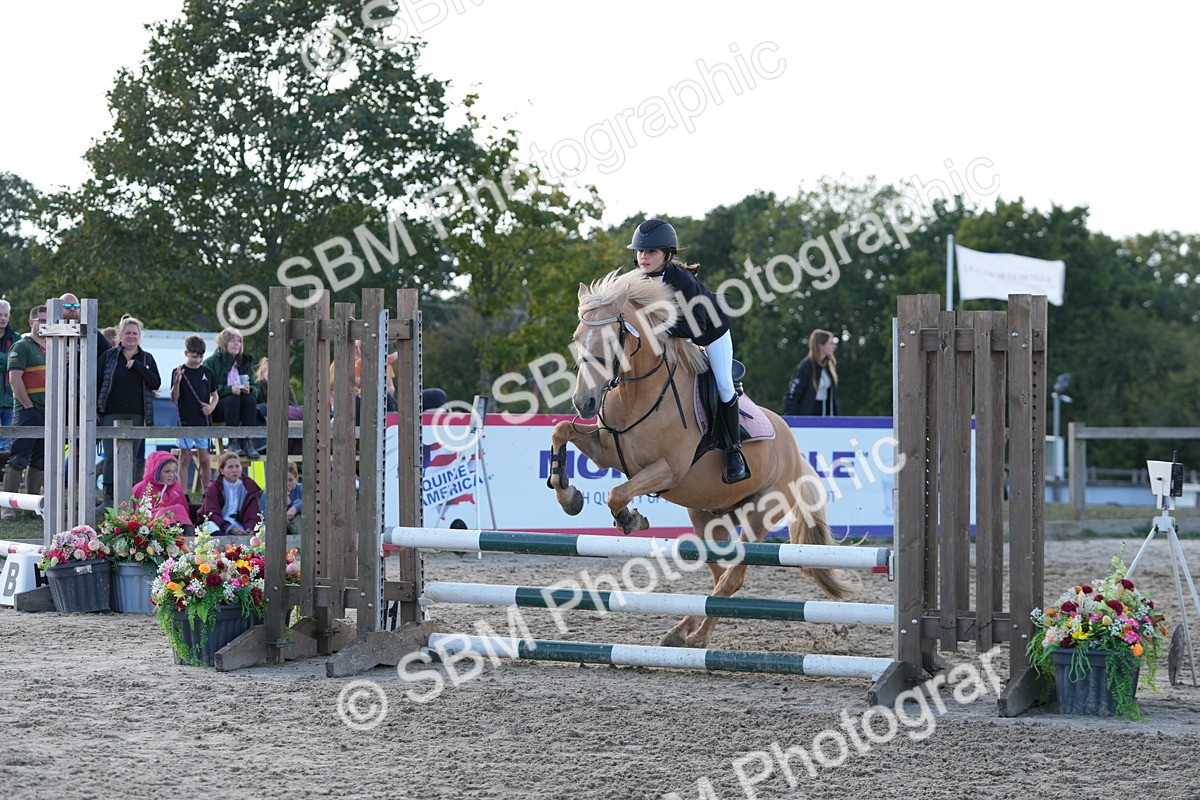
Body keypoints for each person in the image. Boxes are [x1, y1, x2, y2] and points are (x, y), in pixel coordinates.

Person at [626, 218, 749, 484]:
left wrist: (654, 328)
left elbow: (697, 328)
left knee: (723, 384)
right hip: (675, 333)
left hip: (710, 331)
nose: (644, 257)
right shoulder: (636, 279)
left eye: (651, 252)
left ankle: (734, 450)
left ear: (667, 255)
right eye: (640, 251)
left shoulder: (682, 281)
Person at [96, 317, 161, 506]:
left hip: (137, 415)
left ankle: (128, 500)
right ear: (120, 335)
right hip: (110, 413)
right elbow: (96, 382)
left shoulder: (147, 358)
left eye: (134, 333)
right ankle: (109, 500)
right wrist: (95, 409)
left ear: (139, 336)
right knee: (111, 457)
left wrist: (138, 366)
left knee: (130, 459)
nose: (131, 336)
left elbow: (155, 383)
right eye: (127, 333)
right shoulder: (108, 356)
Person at [1, 306, 47, 521]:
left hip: (48, 413)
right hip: (28, 411)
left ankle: (32, 507)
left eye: (48, 320)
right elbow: (14, 379)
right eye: (41, 320)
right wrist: (28, 406)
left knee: (39, 459)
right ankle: (6, 506)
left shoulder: (52, 347)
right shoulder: (22, 345)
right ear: (31, 322)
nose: (44, 324)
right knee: (18, 458)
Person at [171, 335, 218, 494]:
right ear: (186, 353)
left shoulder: (208, 372)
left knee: (205, 458)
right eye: (194, 356)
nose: (197, 360)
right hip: (185, 421)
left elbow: (215, 395)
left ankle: (207, 493)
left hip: (203, 421)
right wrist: (177, 381)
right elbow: (174, 398)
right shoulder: (178, 371)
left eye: (200, 357)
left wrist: (211, 407)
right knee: (185, 458)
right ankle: (183, 494)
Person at [203, 328, 259, 457]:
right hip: (218, 407)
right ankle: (233, 442)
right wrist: (229, 389)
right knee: (232, 399)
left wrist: (250, 389)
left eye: (239, 341)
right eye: (232, 341)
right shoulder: (211, 362)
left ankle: (248, 442)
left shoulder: (245, 362)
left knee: (249, 400)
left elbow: (256, 387)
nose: (236, 344)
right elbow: (207, 389)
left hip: (241, 404)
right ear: (224, 343)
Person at [200, 450, 262, 535]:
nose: (235, 470)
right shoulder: (214, 488)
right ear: (222, 470)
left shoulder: (248, 487)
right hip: (219, 524)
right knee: (209, 526)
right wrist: (228, 527)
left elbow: (253, 512)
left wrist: (250, 528)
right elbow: (211, 514)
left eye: (237, 466)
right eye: (230, 467)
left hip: (239, 525)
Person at [132, 450, 194, 535]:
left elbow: (184, 512)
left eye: (173, 471)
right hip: (149, 529)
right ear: (156, 471)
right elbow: (134, 513)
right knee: (164, 513)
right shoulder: (141, 488)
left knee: (179, 509)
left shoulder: (176, 487)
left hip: (177, 526)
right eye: (167, 471)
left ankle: (191, 539)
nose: (171, 475)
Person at [782, 328, 839, 416]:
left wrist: (835, 416)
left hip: (826, 416)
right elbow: (792, 394)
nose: (834, 346)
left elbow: (831, 396)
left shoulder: (827, 367)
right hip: (809, 416)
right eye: (830, 343)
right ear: (820, 346)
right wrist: (793, 418)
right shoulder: (806, 367)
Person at [0, 299, 20, 473]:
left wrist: (7, 361)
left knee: (7, 443)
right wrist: (8, 360)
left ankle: (3, 480)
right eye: (0, 315)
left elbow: (18, 361)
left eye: (5, 315)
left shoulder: (16, 338)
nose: (3, 318)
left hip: (10, 398)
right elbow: (11, 361)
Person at [283, 461, 302, 536]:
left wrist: (295, 507)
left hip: (299, 531)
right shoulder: (273, 493)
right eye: (284, 480)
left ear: (296, 478)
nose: (287, 484)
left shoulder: (301, 489)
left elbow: (311, 499)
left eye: (290, 480)